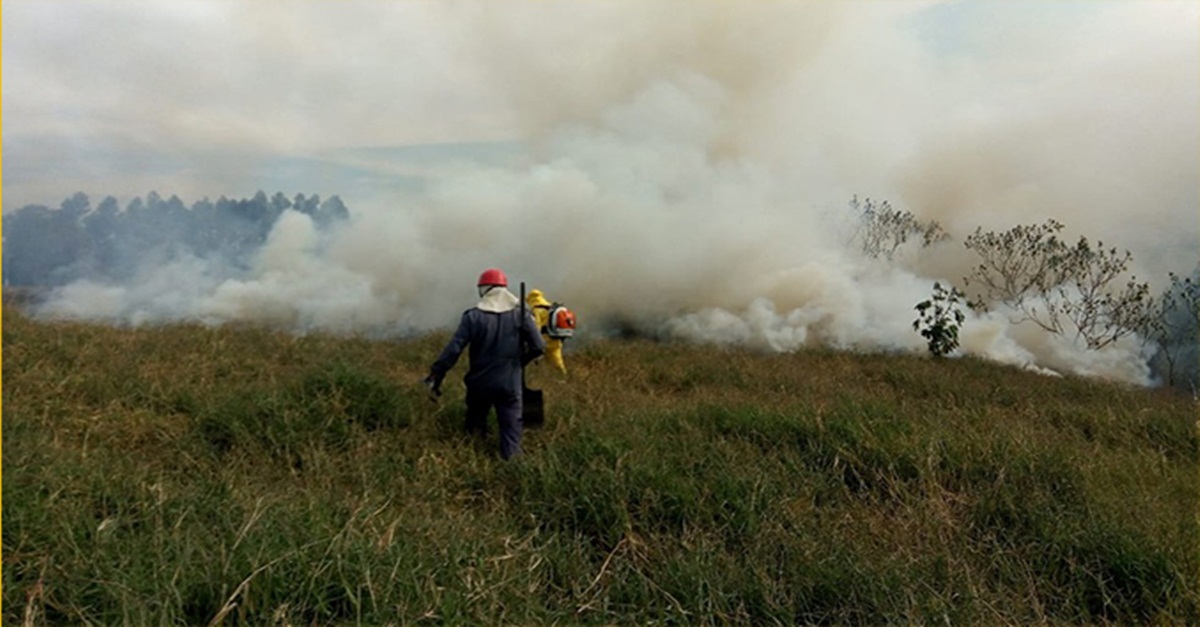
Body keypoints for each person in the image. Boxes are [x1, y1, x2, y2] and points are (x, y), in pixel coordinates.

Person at [425, 268, 545, 460]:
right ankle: (512, 470)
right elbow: (539, 346)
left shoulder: (472, 316)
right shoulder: (520, 315)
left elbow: (454, 349)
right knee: (511, 434)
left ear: (485, 289)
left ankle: (473, 463)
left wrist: (437, 372)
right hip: (510, 385)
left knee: (475, 428)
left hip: (479, 383)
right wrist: (519, 362)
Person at [526, 288, 568, 375]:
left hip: (544, 341)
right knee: (558, 363)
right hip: (555, 339)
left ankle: (545, 379)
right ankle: (564, 378)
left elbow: (536, 327)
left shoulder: (536, 310)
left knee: (540, 364)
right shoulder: (550, 307)